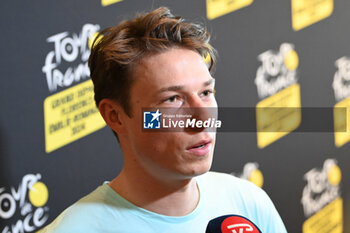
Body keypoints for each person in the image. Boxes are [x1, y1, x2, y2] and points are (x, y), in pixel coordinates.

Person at [43, 7, 287, 233]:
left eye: (205, 93)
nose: (202, 119)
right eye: (172, 99)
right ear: (115, 116)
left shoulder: (246, 203)